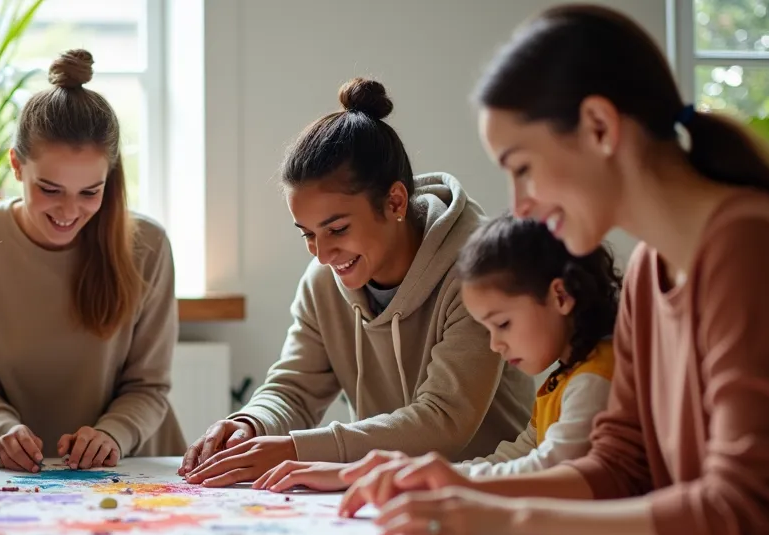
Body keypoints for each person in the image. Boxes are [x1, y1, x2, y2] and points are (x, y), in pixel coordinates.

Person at [341, 4, 769, 535]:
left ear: (600, 127)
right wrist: (463, 483)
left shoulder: (749, 245)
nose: (521, 203)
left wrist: (515, 520)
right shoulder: (651, 271)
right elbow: (620, 467)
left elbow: (749, 511)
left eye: (523, 166)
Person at [181, 77, 533, 487]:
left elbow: (443, 420)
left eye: (338, 229)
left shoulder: (478, 269)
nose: (322, 254)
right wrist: (251, 425)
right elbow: (294, 389)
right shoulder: (323, 282)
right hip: (389, 492)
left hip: (490, 490)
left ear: (396, 202)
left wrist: (296, 449)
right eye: (307, 234)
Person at [256, 213, 618, 492]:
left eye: (502, 324)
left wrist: (430, 480)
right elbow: (515, 457)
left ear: (561, 296)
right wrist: (404, 476)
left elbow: (549, 469)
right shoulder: (563, 379)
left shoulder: (593, 379)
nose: (494, 344)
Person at [0, 49, 183, 471]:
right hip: (15, 473)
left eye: (89, 192)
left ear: (110, 178)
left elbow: (149, 385)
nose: (68, 212)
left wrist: (112, 433)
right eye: (49, 188)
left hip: (136, 468)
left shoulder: (148, 246)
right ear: (16, 165)